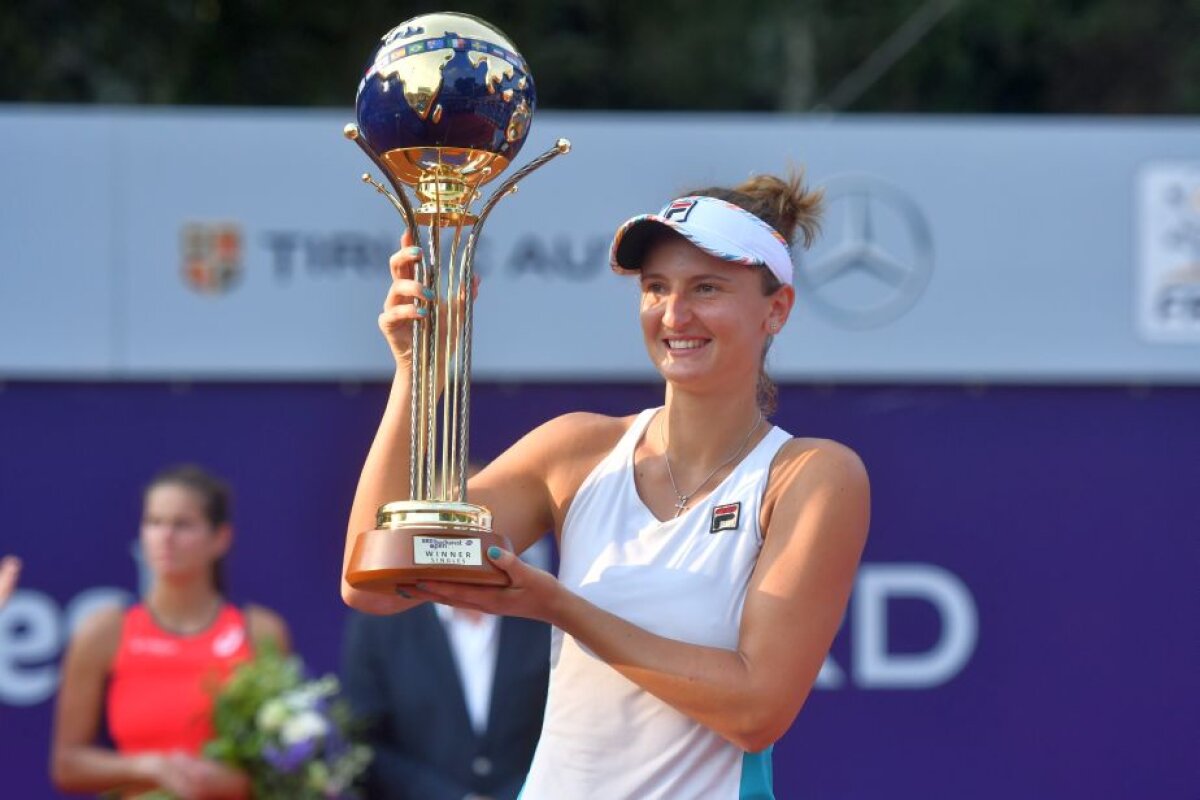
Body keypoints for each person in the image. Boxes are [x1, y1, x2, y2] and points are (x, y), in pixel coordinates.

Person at [341, 172, 870, 799]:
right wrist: (417, 368)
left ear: (776, 308)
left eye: (707, 288)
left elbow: (756, 712)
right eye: (655, 288)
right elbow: (374, 578)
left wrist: (560, 607)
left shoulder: (812, 476)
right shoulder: (577, 450)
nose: (675, 314)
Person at [52, 465, 290, 799]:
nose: (165, 536)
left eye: (183, 524)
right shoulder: (103, 631)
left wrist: (236, 781)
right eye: (154, 522)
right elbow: (67, 765)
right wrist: (146, 767)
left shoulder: (262, 630)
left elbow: (289, 759)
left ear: (220, 538)